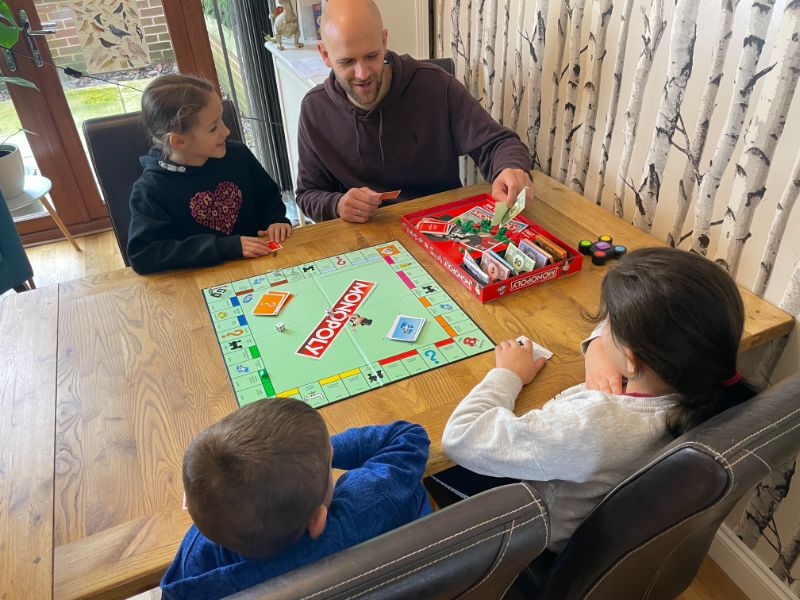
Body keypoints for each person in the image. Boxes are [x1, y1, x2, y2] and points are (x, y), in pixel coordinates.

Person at [441, 247, 755, 552]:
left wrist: (507, 375)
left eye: (611, 327)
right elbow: (634, 323)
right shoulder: (700, 374)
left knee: (433, 467)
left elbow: (460, 436)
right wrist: (598, 351)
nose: (605, 327)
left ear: (632, 359)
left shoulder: (588, 428)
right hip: (592, 500)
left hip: (540, 531)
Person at [161, 397, 431, 598]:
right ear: (317, 521)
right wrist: (321, 453)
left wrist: (305, 459)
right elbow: (408, 437)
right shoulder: (362, 507)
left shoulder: (195, 563)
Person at [295, 0, 533, 224]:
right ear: (325, 55)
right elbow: (307, 194)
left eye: (372, 56)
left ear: (384, 41)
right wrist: (337, 205)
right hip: (366, 237)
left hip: (440, 227)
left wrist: (509, 168)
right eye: (347, 62)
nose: (363, 74)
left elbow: (498, 143)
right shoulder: (314, 110)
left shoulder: (436, 86)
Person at [127, 74, 292, 274]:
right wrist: (224, 247)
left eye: (221, 119)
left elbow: (267, 198)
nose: (226, 131)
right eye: (213, 127)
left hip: (259, 267)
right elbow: (143, 254)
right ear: (179, 142)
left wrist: (275, 219)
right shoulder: (150, 189)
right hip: (199, 280)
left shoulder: (238, 155)